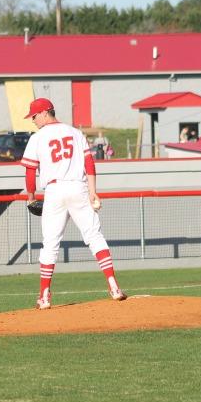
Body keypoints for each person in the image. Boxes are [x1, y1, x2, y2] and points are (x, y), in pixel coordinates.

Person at [21, 97, 126, 309]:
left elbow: (30, 171)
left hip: (54, 190)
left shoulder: (38, 137)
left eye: (34, 116)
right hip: (79, 188)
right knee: (94, 236)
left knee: (50, 243)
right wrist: (93, 191)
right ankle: (113, 286)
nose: (32, 120)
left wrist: (31, 197)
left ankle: (44, 297)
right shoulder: (76, 133)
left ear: (44, 112)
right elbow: (89, 163)